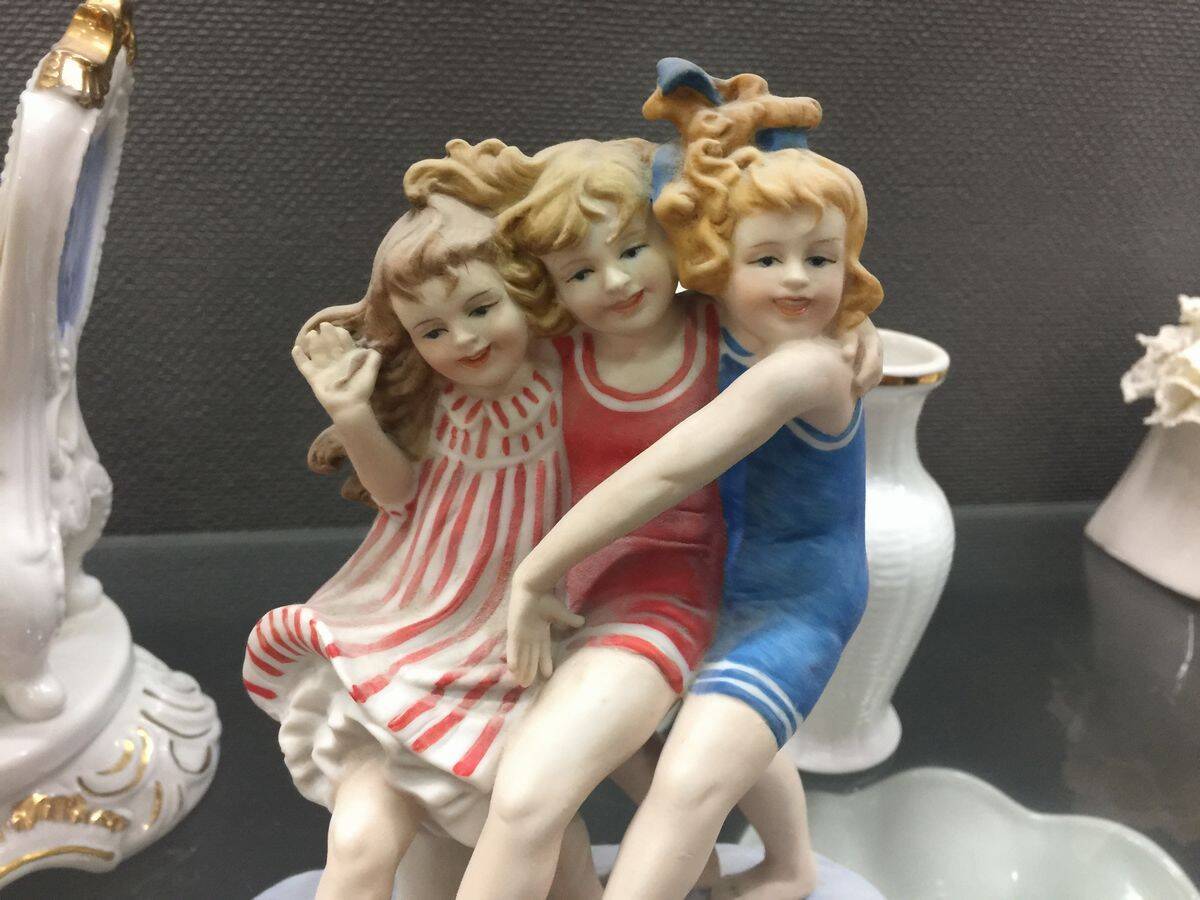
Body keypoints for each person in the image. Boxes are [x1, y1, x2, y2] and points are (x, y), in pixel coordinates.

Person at [499, 69, 884, 898]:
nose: (796, 279)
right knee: (713, 736)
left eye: (821, 259)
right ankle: (789, 865)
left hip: (796, 598)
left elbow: (670, 466)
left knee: (688, 782)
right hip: (722, 571)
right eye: (768, 258)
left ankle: (778, 869)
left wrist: (534, 572)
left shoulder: (805, 369)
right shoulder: (715, 320)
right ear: (713, 260)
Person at [241, 194, 599, 900]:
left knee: (534, 825)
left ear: (524, 291)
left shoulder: (572, 375)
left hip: (512, 638)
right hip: (414, 624)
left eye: (481, 307)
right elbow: (399, 495)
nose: (463, 339)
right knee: (362, 841)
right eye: (432, 330)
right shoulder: (438, 400)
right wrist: (351, 413)